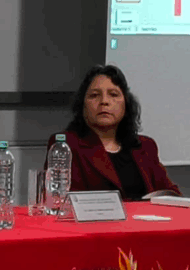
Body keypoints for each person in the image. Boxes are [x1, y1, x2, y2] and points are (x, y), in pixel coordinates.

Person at [47, 64, 179, 200]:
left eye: (113, 95)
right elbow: (62, 200)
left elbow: (171, 194)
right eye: (94, 95)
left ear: (126, 104)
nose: (104, 101)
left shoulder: (146, 146)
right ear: (83, 105)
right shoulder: (66, 144)